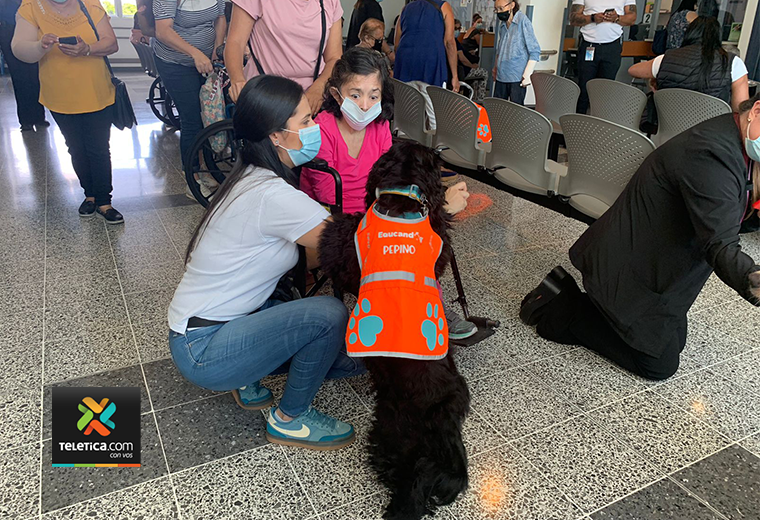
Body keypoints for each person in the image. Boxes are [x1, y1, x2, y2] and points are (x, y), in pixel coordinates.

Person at [168, 75, 365, 450]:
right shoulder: (272, 194)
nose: (315, 129)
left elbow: (308, 253)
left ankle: (247, 376)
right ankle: (291, 419)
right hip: (204, 348)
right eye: (305, 122)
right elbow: (351, 247)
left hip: (202, 329)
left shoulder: (250, 175)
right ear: (275, 136)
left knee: (342, 357)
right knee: (329, 316)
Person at [520, 93, 760, 381]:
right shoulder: (712, 153)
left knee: (672, 341)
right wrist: (753, 281)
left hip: (656, 258)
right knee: (659, 365)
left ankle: (596, 309)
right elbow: (720, 242)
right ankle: (562, 310)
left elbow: (732, 215)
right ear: (756, 110)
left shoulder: (734, 139)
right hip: (630, 262)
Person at [12, 0, 123, 224]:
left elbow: (111, 43)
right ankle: (89, 195)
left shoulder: (90, 4)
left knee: (99, 148)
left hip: (96, 89)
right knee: (76, 148)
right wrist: (40, 45)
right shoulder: (32, 6)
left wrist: (88, 49)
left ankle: (104, 201)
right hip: (59, 93)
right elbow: (19, 49)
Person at [301, 47, 393, 215]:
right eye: (355, 96)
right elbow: (328, 196)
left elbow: (386, 180)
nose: (365, 106)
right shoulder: (321, 130)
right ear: (337, 95)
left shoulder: (381, 126)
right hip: (329, 217)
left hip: (372, 214)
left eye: (373, 97)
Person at [224, 0, 344, 114]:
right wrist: (237, 79)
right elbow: (235, 42)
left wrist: (319, 87)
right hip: (266, 94)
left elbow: (334, 57)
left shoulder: (330, 2)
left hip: (311, 97)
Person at [152, 0, 226, 177]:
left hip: (207, 60)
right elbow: (163, 31)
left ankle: (207, 166)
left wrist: (217, 48)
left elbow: (220, 17)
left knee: (210, 113)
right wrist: (195, 53)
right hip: (174, 62)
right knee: (192, 118)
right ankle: (193, 175)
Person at [628, 15, 749, 112]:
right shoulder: (733, 63)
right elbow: (740, 108)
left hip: (668, 131)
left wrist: (655, 76)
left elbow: (633, 70)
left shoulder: (667, 58)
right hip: (711, 135)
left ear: (689, 33)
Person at [569, 0, 637, 114]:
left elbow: (632, 18)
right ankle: (578, 123)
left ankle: (601, 124)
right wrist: (592, 18)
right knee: (584, 88)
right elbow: (573, 18)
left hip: (612, 46)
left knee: (606, 89)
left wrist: (617, 18)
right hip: (588, 44)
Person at [0, 0, 47, 132]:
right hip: (8, 30)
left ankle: (39, 117)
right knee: (19, 77)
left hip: (30, 29)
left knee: (35, 76)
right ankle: (26, 120)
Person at [393, 0, 459, 92]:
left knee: (406, 100)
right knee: (432, 100)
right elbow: (449, 43)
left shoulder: (405, 9)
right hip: (431, 62)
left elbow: (396, 44)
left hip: (405, 61)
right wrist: (455, 75)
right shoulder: (444, 7)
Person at [492, 0, 540, 106]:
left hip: (517, 78)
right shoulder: (503, 25)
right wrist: (495, 67)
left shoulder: (523, 22)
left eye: (501, 8)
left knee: (516, 113)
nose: (499, 12)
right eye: (496, 9)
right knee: (497, 111)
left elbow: (535, 51)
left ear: (512, 5)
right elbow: (500, 49)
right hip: (501, 75)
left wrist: (527, 74)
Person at [454, 18, 487, 102]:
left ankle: (472, 99)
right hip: (461, 70)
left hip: (457, 69)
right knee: (484, 73)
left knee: (476, 77)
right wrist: (472, 66)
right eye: (455, 29)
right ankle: (478, 100)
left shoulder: (450, 40)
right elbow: (462, 59)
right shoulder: (453, 42)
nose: (457, 31)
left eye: (459, 28)